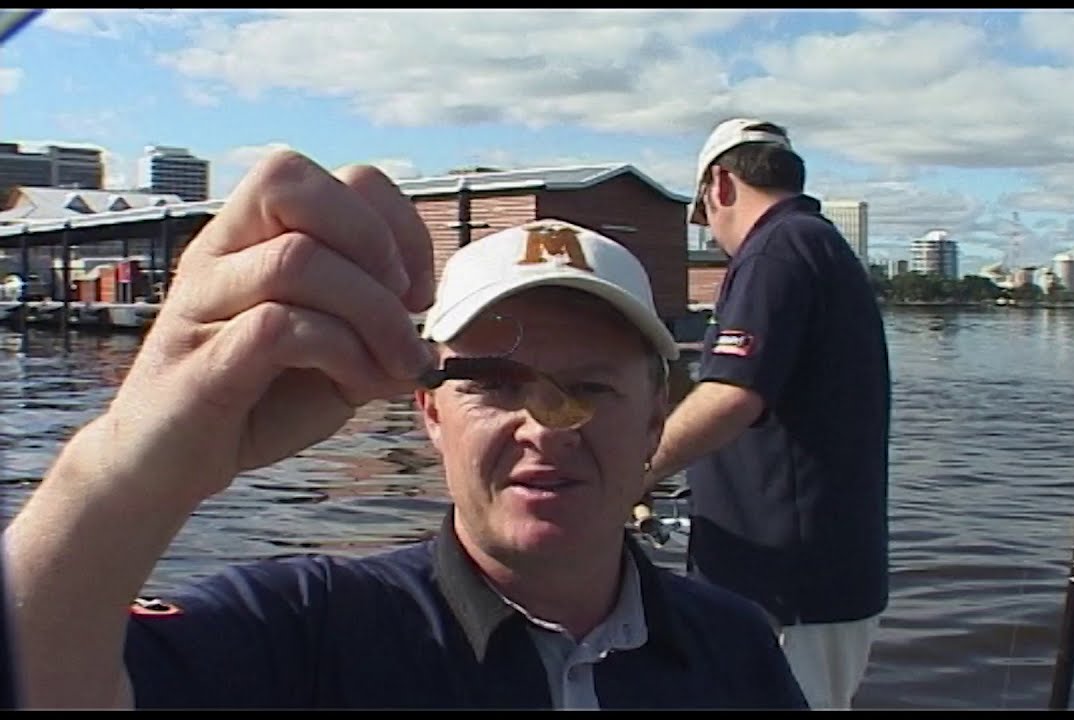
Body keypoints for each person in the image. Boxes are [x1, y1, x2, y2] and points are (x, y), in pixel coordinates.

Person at [0, 150, 809, 710]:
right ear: (430, 413)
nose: (543, 427)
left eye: (590, 388)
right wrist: (134, 466)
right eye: (493, 382)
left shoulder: (733, 645)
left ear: (656, 418)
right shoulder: (306, 629)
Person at [640, 118, 892, 709]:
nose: (715, 235)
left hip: (789, 589)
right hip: (815, 578)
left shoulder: (774, 251)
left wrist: (634, 469)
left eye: (706, 217)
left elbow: (731, 394)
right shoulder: (818, 244)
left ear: (720, 185)